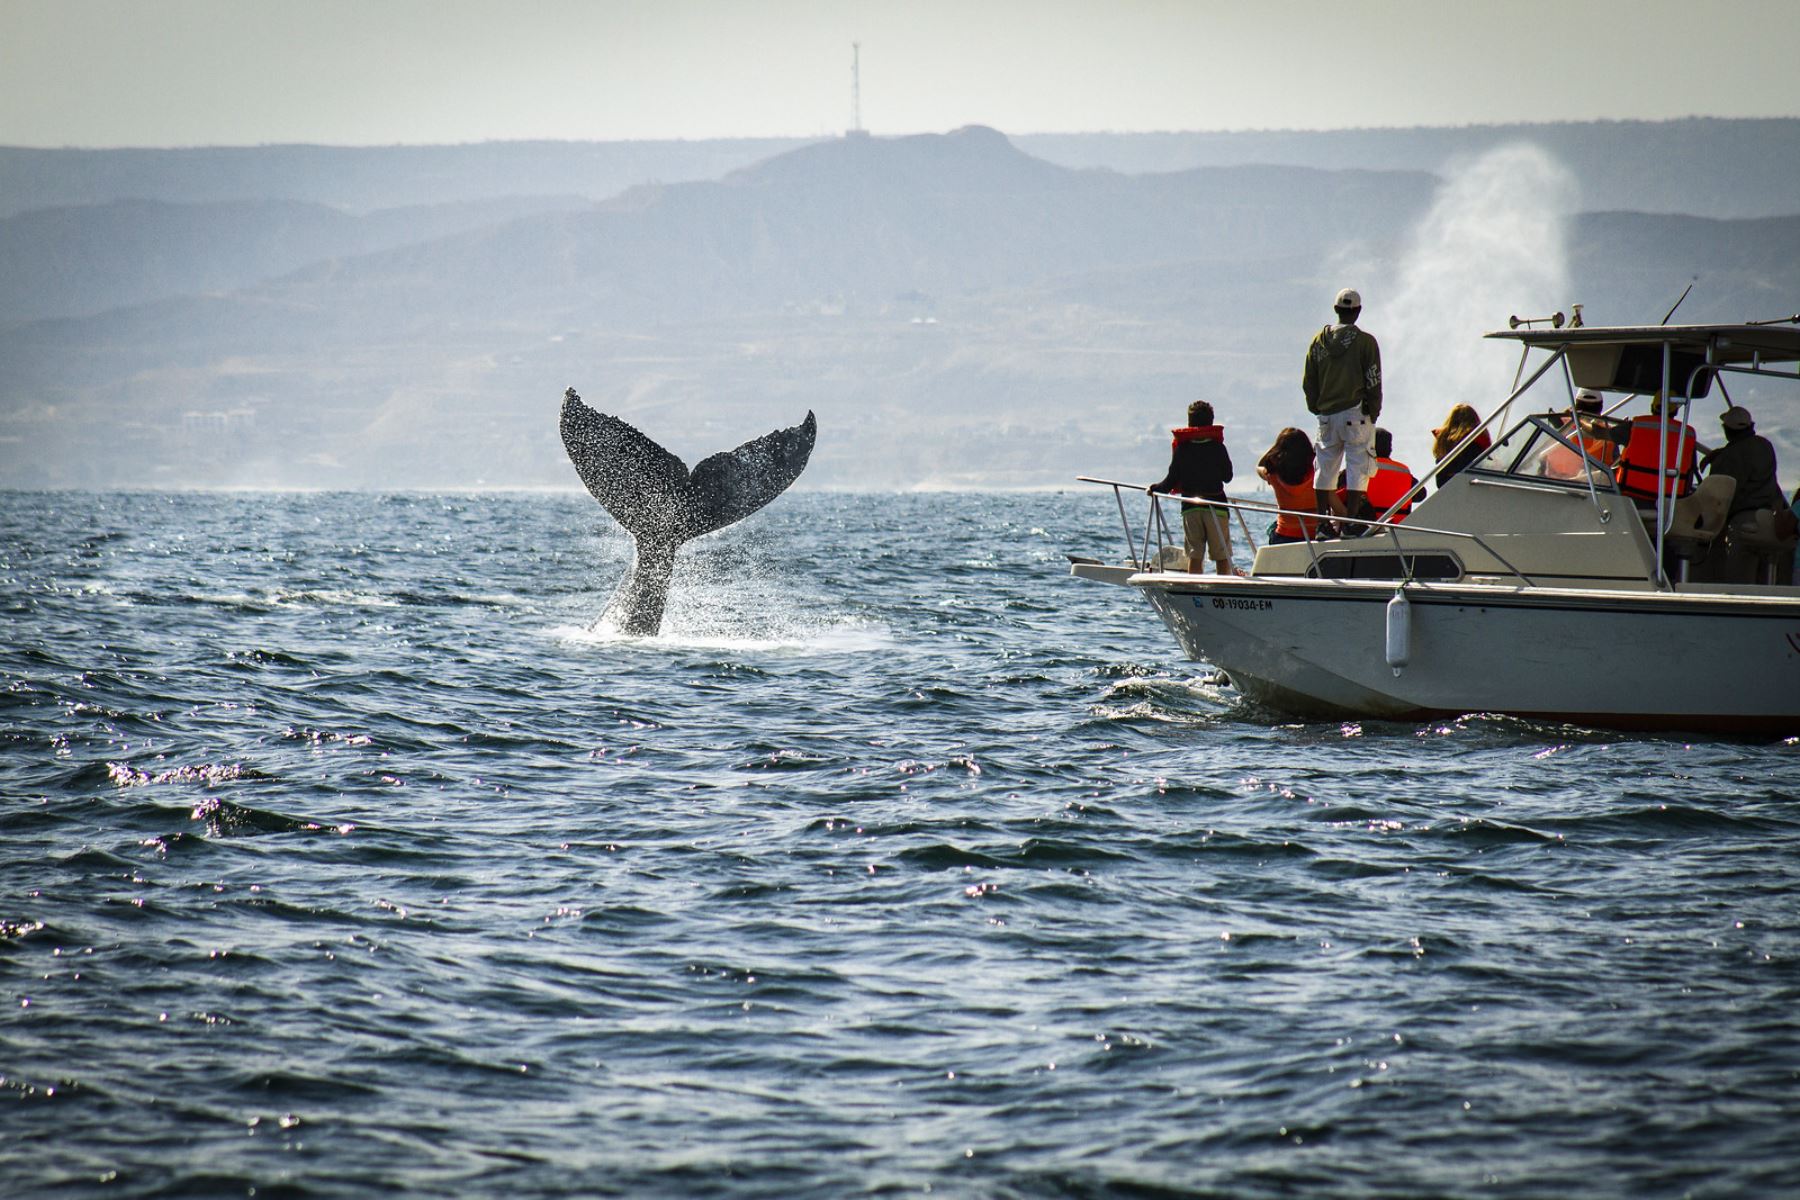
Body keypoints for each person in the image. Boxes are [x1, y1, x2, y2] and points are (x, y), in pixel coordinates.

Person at [1303, 287, 1382, 531]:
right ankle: (1351, 523)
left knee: (1325, 469)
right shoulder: (1365, 342)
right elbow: (1373, 379)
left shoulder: (1318, 342)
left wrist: (1317, 407)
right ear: (1358, 311)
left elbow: (1309, 381)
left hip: (1326, 415)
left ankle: (1322, 524)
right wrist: (1374, 410)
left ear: (1336, 309)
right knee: (1357, 466)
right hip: (1356, 414)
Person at [1148, 399, 1236, 574]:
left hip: (1191, 509)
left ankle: (1195, 591)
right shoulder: (1218, 447)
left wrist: (1154, 489)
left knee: (1195, 555)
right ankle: (1221, 590)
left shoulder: (1183, 449)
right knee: (1221, 556)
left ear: (1190, 422)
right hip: (1216, 508)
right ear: (1211, 421)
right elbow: (1228, 477)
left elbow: (1170, 482)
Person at [1702, 406, 1785, 519]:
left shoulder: (1727, 457)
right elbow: (1745, 448)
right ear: (1751, 426)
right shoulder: (1765, 445)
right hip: (1769, 519)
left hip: (1740, 521)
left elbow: (1717, 498)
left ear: (1726, 429)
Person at [1614, 392, 1698, 503]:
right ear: (1675, 411)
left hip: (1630, 497)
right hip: (1671, 503)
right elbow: (1692, 469)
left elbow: (1600, 433)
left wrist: (1585, 424)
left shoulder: (1634, 426)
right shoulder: (1688, 434)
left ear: (1652, 407)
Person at [1257, 427, 1322, 544]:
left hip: (1284, 535)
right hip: (1313, 534)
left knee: (1272, 528)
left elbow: (1259, 466)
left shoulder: (1273, 473)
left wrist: (1275, 448)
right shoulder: (1317, 472)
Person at [1541, 389, 1615, 479]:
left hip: (1589, 485)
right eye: (1583, 407)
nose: (1587, 413)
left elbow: (1614, 466)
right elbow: (1541, 456)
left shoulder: (1609, 432)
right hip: (1551, 481)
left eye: (1593, 409)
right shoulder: (1559, 424)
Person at [1431, 404, 1492, 487]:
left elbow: (1440, 482)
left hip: (1447, 490)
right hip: (1472, 487)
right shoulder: (1476, 443)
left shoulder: (1443, 444)